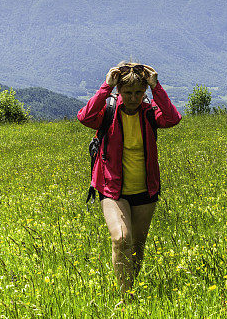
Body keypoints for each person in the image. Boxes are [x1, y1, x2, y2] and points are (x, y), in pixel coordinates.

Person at [77, 62, 181, 298]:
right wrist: (106, 86)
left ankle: (130, 289)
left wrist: (157, 87)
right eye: (127, 93)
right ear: (119, 92)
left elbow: (173, 119)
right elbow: (85, 117)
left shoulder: (149, 112)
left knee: (136, 247)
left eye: (138, 92)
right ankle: (126, 298)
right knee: (121, 238)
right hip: (112, 189)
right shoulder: (109, 112)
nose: (133, 98)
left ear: (144, 92)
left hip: (145, 189)